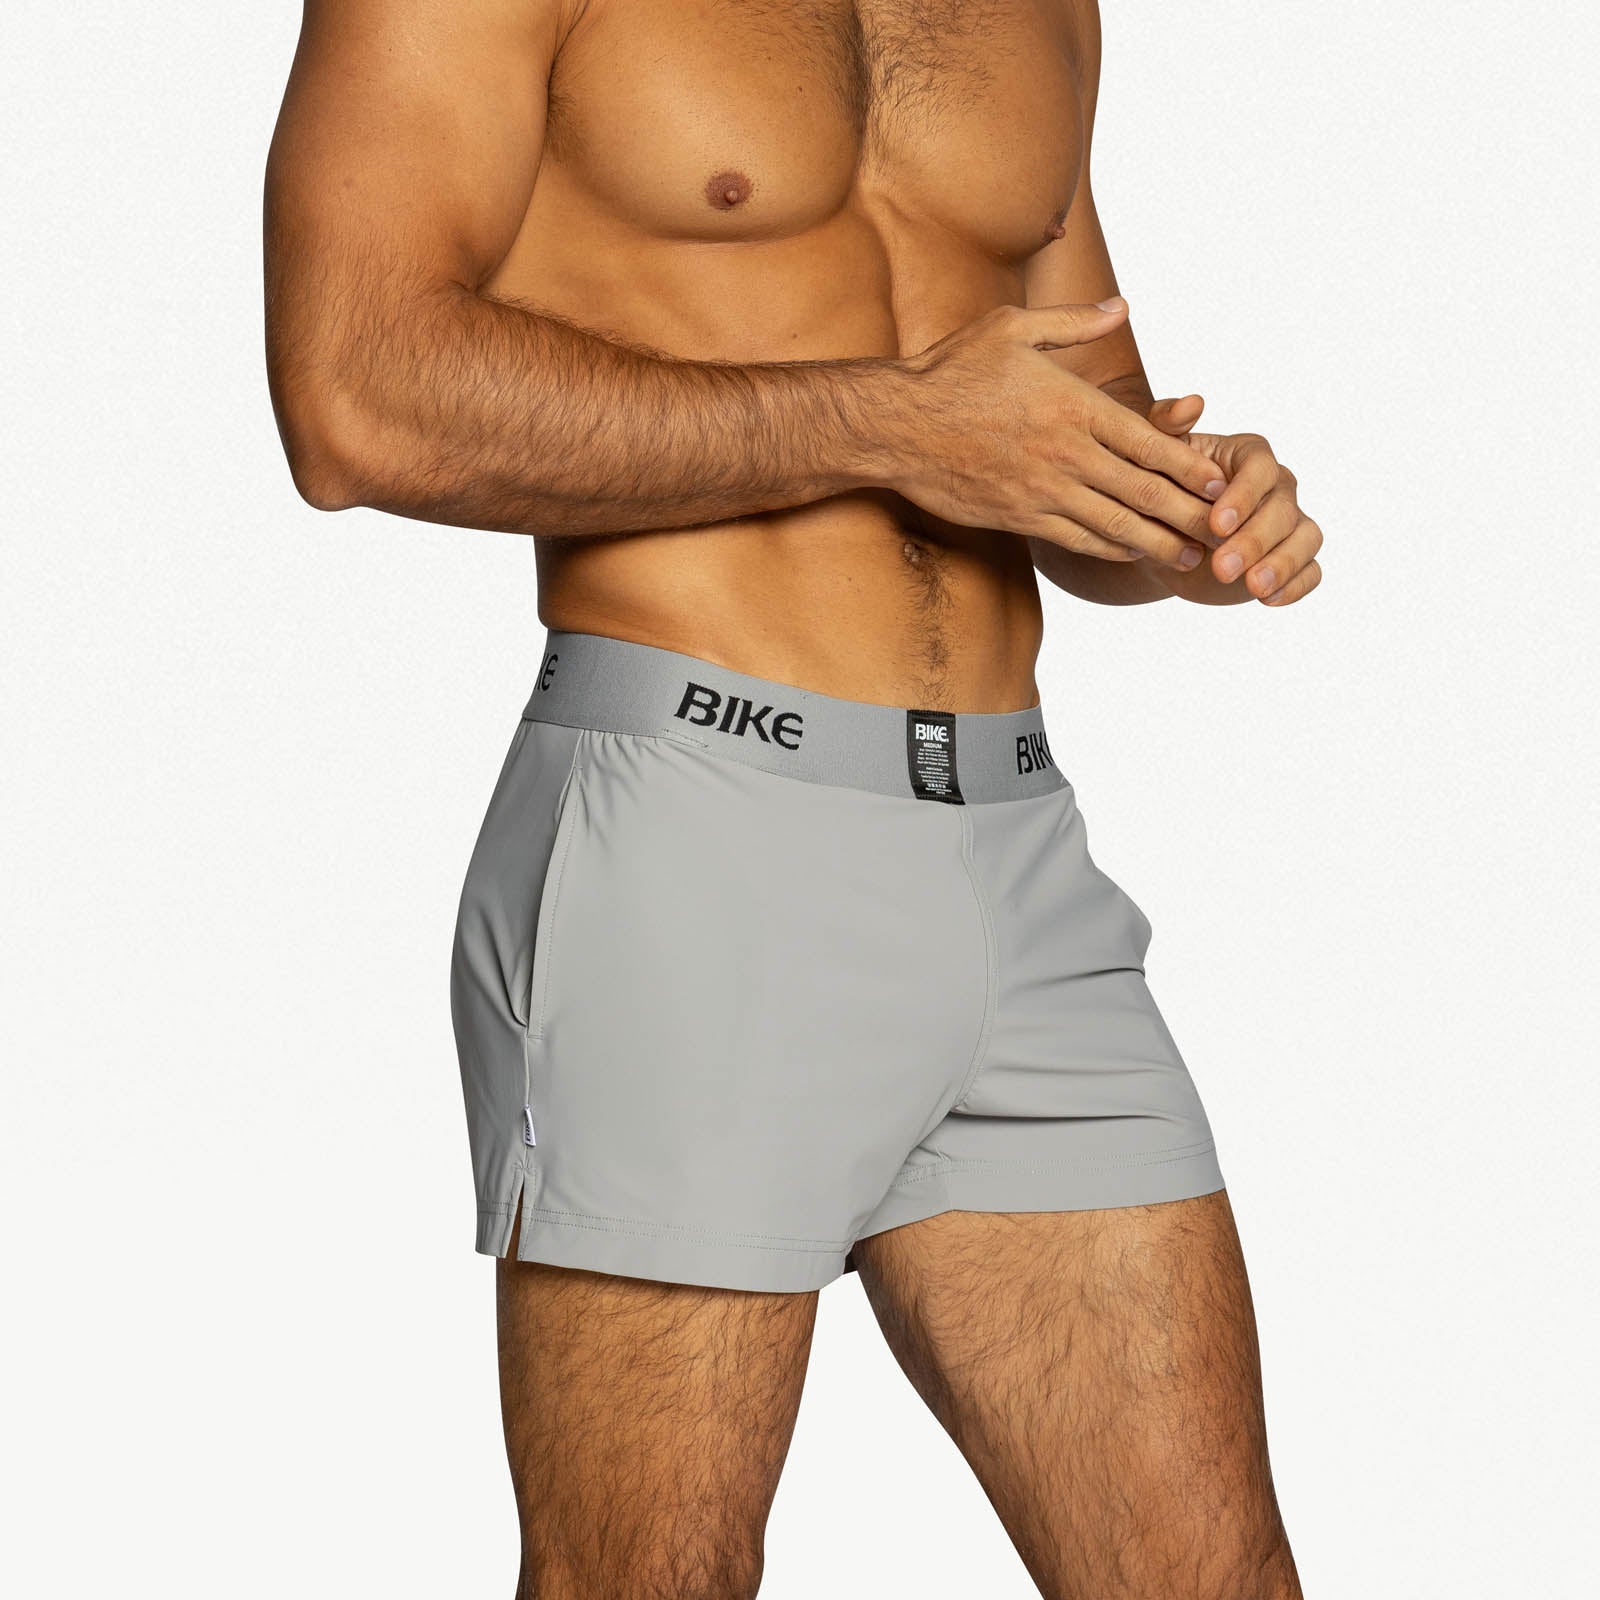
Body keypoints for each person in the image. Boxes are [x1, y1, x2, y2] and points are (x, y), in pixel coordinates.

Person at [264, 1, 1319, 1594]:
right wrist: (886, 419)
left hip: (1020, 855)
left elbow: (1060, 420)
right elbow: (357, 396)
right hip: (702, 836)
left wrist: (1190, 516)